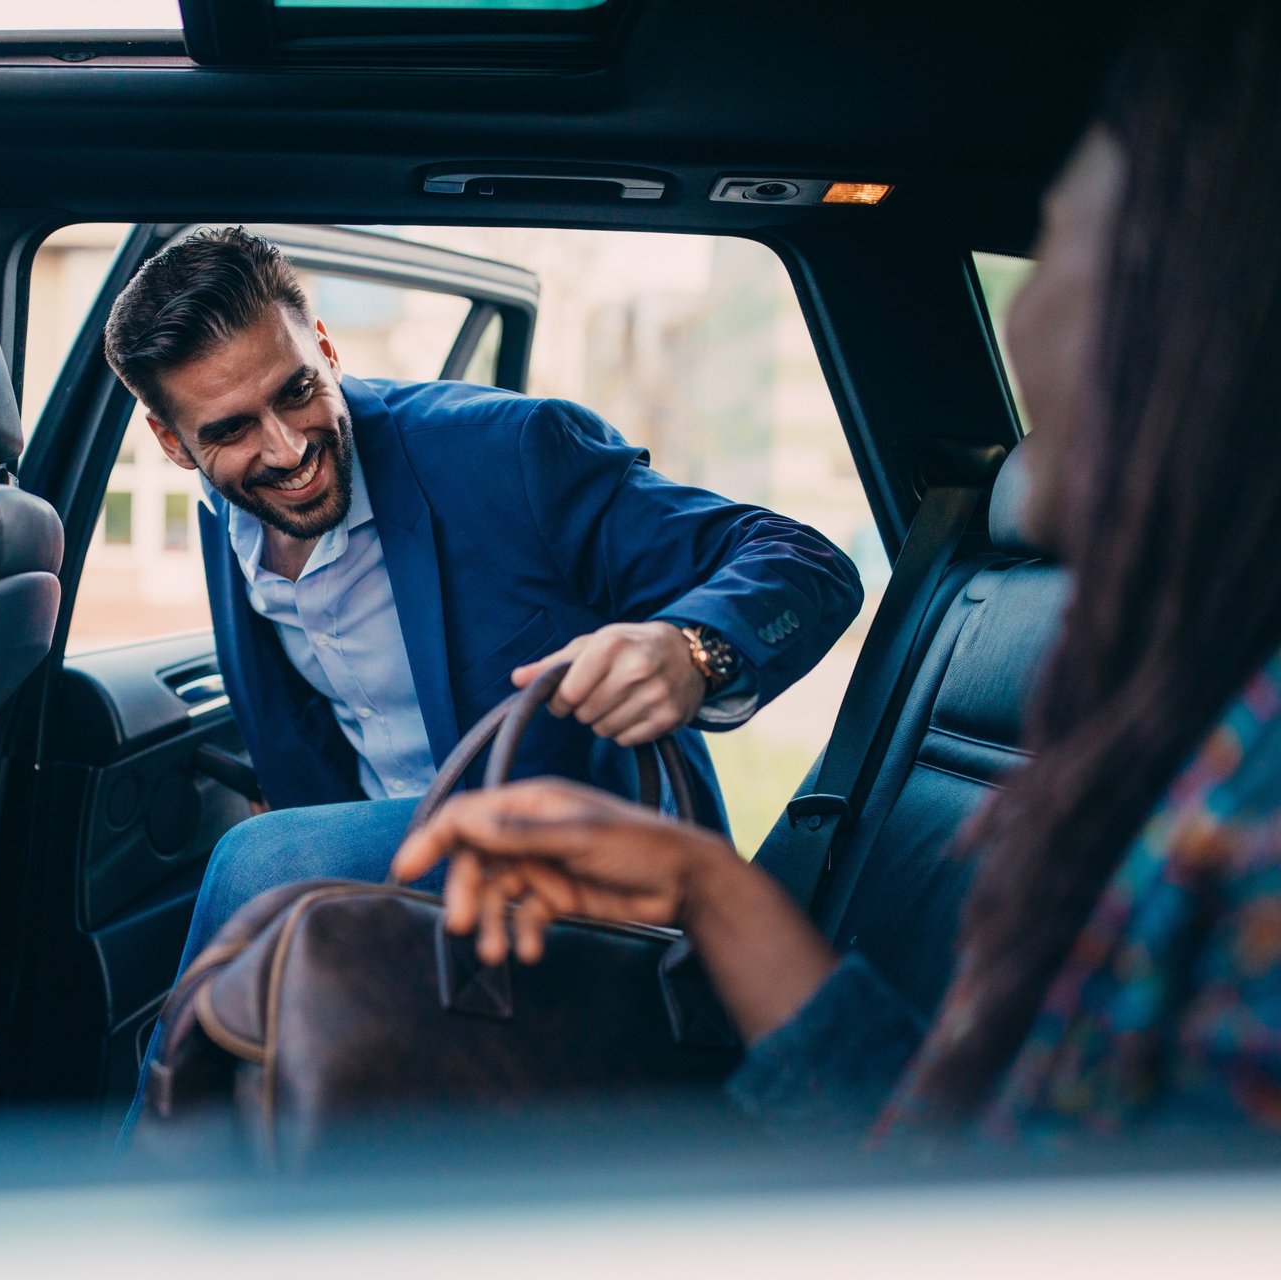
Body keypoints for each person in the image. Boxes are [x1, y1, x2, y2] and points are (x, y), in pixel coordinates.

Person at [390, 0, 1281, 1138]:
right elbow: (959, 1149)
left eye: (1057, 248)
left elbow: (1006, 1224)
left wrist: (694, 644)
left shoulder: (1253, 831)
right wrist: (703, 884)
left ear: (1189, 318)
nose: (1025, 314)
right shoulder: (1197, 724)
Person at [102, 228, 864, 975]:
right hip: (392, 905)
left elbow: (806, 562)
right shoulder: (224, 509)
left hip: (572, 890)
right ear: (174, 444)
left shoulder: (513, 453)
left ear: (326, 350)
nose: (287, 449)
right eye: (232, 429)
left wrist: (694, 650)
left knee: (263, 864)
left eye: (297, 391)